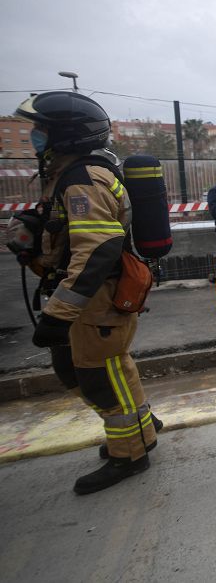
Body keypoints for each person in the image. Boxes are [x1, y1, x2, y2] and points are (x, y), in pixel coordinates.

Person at [16, 91, 159, 494]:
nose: (34, 137)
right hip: (92, 296)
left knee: (100, 378)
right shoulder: (71, 173)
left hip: (97, 300)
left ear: (66, 134)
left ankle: (128, 455)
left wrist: (58, 313)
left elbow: (97, 248)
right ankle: (140, 433)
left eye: (41, 130)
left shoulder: (83, 179)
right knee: (114, 370)